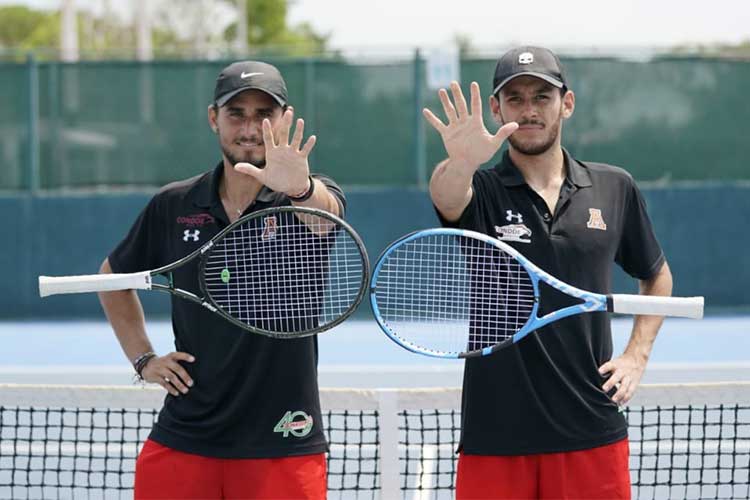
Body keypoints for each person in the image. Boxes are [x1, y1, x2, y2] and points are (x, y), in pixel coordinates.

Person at [423, 46, 673, 499]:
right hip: (495, 432)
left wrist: (637, 354)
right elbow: (446, 195)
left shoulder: (614, 186)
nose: (530, 109)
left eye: (542, 96)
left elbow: (656, 276)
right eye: (515, 99)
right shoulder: (478, 188)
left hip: (591, 427)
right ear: (497, 110)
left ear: (567, 103)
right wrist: (462, 160)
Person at [97, 60, 344, 499]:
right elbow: (112, 278)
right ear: (214, 119)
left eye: (264, 115)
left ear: (283, 121)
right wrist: (143, 359)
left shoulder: (308, 198)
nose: (250, 128)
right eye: (237, 114)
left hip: (283, 439)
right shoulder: (174, 204)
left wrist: (300, 188)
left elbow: (326, 219)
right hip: (186, 435)